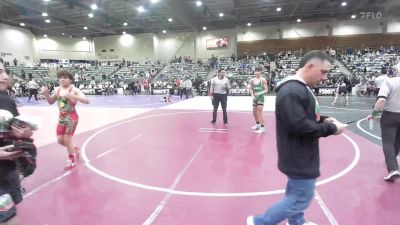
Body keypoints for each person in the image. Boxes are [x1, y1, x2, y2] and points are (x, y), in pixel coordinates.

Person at [247, 50, 347, 225]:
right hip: (298, 155)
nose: (324, 78)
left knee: (295, 193)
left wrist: (323, 119)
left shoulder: (299, 88)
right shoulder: (292, 90)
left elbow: (303, 116)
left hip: (299, 153)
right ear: (310, 66)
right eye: (323, 72)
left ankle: (296, 222)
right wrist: (331, 128)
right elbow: (299, 125)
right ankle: (259, 223)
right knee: (301, 198)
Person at [0, 68, 34, 225]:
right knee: (9, 219)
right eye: (0, 73)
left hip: (7, 170)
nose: (5, 76)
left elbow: (15, 132)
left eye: (4, 72)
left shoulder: (7, 101)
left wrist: (25, 133)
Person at [42, 70, 89, 170]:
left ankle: (72, 161)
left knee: (67, 140)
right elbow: (51, 101)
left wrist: (73, 96)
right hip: (62, 118)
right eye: (60, 77)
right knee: (60, 140)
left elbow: (87, 100)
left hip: (72, 118)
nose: (62, 79)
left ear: (70, 79)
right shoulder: (57, 90)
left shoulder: (74, 89)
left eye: (65, 77)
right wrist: (46, 94)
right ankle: (75, 148)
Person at [367, 62, 400, 182]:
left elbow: (381, 100)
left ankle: (393, 168)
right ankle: (392, 161)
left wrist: (373, 114)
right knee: (397, 142)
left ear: (396, 71)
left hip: (390, 116)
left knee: (388, 142)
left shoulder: (390, 82)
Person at [249, 66, 268, 133]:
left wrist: (260, 93)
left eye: (258, 71)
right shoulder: (252, 80)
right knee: (254, 112)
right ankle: (258, 124)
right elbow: (250, 88)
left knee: (259, 112)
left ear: (261, 72)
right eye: (255, 71)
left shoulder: (263, 80)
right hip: (255, 97)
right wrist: (252, 96)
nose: (257, 72)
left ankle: (263, 128)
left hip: (260, 97)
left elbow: (266, 90)